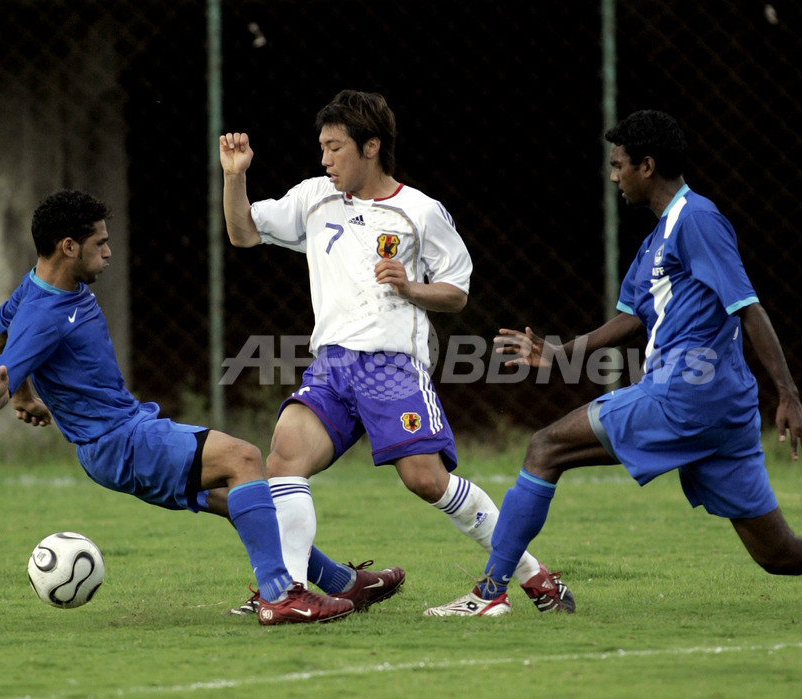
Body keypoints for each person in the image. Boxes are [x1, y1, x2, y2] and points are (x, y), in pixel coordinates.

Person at [423, 109, 802, 619]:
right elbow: (630, 319)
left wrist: (788, 394)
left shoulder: (698, 220)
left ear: (648, 165)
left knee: (545, 448)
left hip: (691, 392)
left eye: (619, 166)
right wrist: (561, 353)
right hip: (720, 408)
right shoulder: (657, 239)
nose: (614, 176)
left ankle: (490, 592)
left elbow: (749, 308)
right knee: (778, 553)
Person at [218, 89, 573, 615]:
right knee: (284, 459)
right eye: (321, 147)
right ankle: (287, 593)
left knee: (426, 481)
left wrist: (410, 288)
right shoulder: (315, 196)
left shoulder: (419, 212)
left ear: (371, 147)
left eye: (334, 147)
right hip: (332, 363)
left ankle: (533, 577)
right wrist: (234, 175)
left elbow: (456, 291)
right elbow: (243, 233)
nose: (324, 159)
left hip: (392, 366)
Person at [0, 190, 355, 625]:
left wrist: (22, 397)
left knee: (238, 499)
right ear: (68, 246)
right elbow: (1, 370)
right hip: (120, 441)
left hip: (120, 436)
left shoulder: (35, 284)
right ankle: (280, 599)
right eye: (99, 244)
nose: (109, 253)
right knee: (244, 459)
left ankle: (341, 582)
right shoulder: (45, 314)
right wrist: (0, 394)